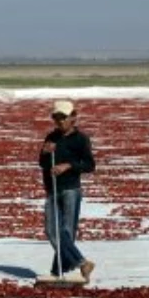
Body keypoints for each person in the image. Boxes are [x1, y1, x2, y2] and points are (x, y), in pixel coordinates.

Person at [38, 99, 96, 281]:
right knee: (50, 230)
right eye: (56, 117)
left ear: (73, 117)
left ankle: (57, 272)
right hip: (52, 189)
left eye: (63, 117)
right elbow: (42, 163)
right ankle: (82, 263)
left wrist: (68, 166)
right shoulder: (51, 137)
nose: (59, 121)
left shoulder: (81, 139)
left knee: (66, 232)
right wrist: (46, 153)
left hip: (71, 189)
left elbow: (89, 165)